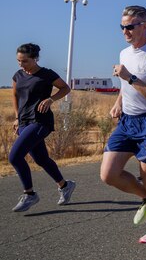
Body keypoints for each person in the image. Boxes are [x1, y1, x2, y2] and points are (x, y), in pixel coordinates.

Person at [100, 6, 146, 243]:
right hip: (127, 121)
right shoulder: (124, 53)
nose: (125, 31)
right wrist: (118, 102)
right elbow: (126, 87)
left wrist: (129, 77)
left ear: (145, 25)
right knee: (108, 174)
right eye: (122, 26)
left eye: (130, 26)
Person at [9, 43, 75, 212]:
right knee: (41, 159)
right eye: (19, 61)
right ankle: (65, 186)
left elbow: (65, 88)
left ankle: (30, 194)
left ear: (35, 58)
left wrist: (51, 99)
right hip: (23, 122)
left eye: (24, 61)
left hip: (41, 121)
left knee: (15, 157)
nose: (21, 65)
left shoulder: (46, 74)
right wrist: (17, 118)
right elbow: (15, 96)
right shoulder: (18, 75)